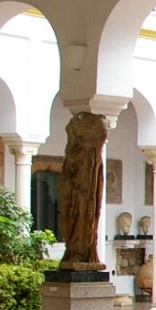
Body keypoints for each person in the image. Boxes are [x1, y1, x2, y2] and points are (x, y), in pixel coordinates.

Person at [59, 111, 106, 268]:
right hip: (72, 181)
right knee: (68, 212)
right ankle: (73, 249)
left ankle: (81, 251)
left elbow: (101, 135)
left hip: (86, 186)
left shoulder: (93, 147)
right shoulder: (74, 145)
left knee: (83, 214)